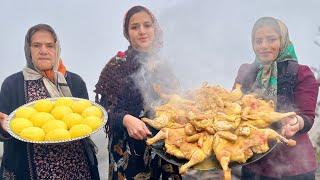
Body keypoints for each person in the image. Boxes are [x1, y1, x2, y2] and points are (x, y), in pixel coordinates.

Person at [0, 24, 100, 179]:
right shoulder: (12, 84)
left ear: (57, 48)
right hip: (29, 172)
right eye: (36, 45)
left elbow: (86, 122)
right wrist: (3, 126)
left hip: (76, 170)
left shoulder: (74, 81)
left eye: (49, 45)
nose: (43, 51)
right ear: (28, 50)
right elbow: (3, 125)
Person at [95, 5, 181, 180]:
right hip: (130, 156)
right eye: (135, 27)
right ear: (127, 32)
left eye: (147, 25)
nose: (142, 31)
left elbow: (177, 101)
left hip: (166, 153)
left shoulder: (165, 66)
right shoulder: (116, 66)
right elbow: (101, 110)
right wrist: (125, 119)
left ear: (154, 29)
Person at [234, 17, 319, 179]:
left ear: (283, 40)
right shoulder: (246, 71)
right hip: (253, 165)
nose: (264, 46)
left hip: (293, 168)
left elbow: (307, 117)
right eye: (258, 41)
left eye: (271, 39)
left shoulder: (301, 73)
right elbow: (233, 107)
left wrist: (296, 123)